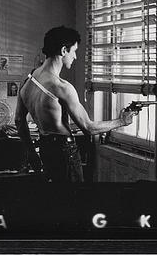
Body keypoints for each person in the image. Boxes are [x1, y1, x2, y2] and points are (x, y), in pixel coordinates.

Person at [15, 25, 147, 181]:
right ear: (64, 50)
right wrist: (121, 121)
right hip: (64, 152)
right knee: (74, 202)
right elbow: (88, 128)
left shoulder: (29, 80)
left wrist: (31, 152)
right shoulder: (61, 87)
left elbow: (18, 120)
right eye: (74, 51)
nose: (75, 57)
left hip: (45, 149)